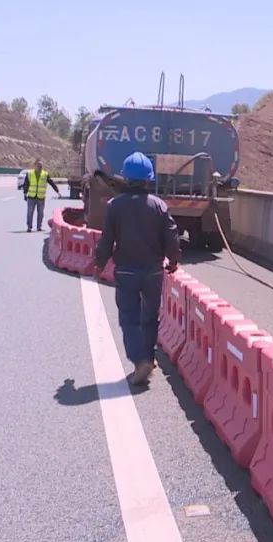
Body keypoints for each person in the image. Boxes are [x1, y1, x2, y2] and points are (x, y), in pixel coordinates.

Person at [94, 152, 181, 385]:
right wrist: (173, 260)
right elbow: (171, 236)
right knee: (151, 316)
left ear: (125, 178)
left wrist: (99, 263)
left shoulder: (115, 206)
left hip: (126, 271)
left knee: (129, 318)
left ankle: (140, 360)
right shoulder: (159, 205)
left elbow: (107, 240)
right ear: (148, 179)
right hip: (153, 271)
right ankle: (150, 358)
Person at [22, 159, 60, 232]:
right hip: (31, 197)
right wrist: (25, 194)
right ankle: (29, 227)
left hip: (41, 197)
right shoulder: (30, 174)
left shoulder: (45, 174)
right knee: (30, 212)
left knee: (41, 213)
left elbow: (51, 182)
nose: (40, 166)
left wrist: (57, 191)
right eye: (38, 165)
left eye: (41, 165)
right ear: (35, 166)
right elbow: (26, 185)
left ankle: (39, 227)